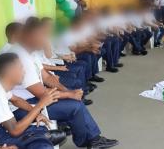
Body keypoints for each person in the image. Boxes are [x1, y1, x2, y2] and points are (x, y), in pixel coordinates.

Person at [10, 19, 119, 148]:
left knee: (73, 102)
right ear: (31, 36)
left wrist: (68, 91)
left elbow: (46, 78)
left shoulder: (29, 53)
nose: (46, 39)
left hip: (34, 100)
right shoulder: (20, 57)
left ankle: (89, 138)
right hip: (22, 108)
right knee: (75, 106)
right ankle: (91, 140)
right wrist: (68, 95)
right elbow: (40, 93)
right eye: (42, 36)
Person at [0, 53, 66, 149]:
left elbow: (16, 100)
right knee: (43, 146)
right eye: (20, 68)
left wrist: (37, 114)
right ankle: (38, 139)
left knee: (38, 126)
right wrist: (40, 105)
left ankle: (37, 137)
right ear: (11, 72)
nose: (24, 72)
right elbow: (15, 130)